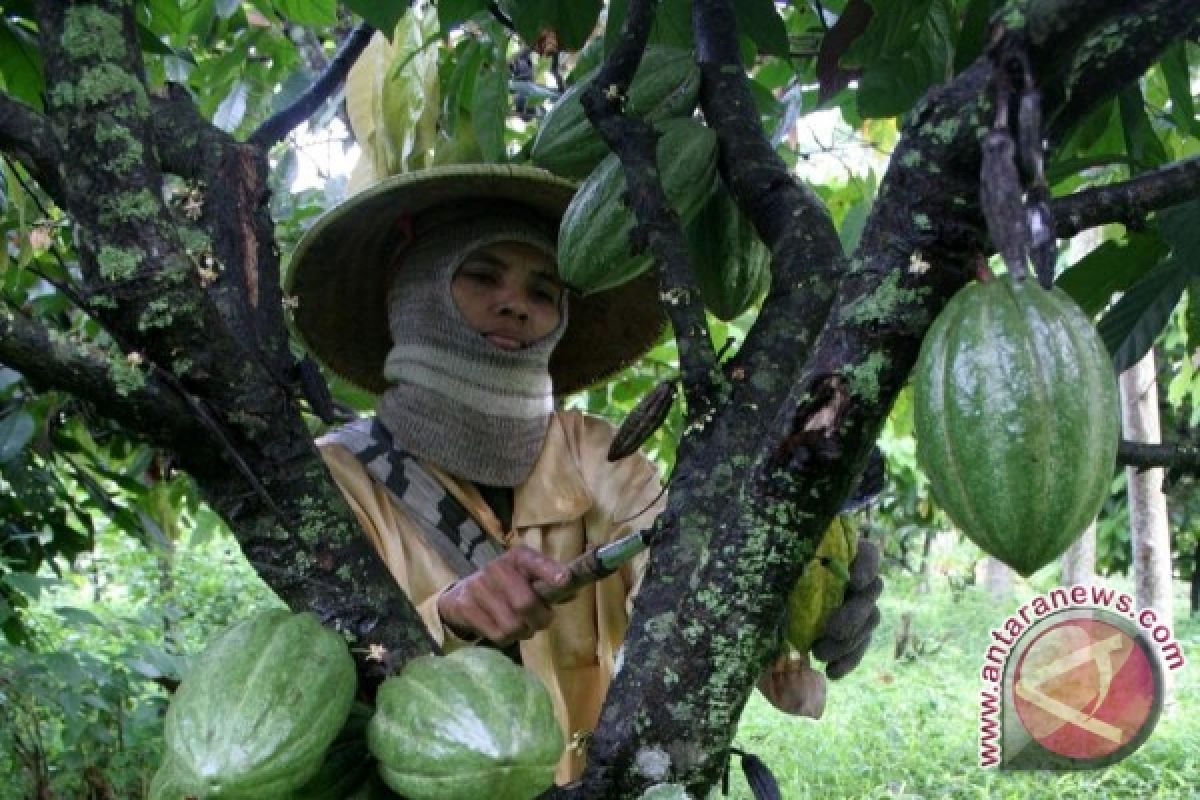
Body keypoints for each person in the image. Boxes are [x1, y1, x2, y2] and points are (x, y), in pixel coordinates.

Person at [286, 164, 881, 783]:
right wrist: (452, 615)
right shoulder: (337, 477)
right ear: (408, 293)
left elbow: (682, 573)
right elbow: (321, 665)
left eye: (543, 292)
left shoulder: (601, 458)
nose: (515, 304)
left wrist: (783, 610)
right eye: (481, 276)